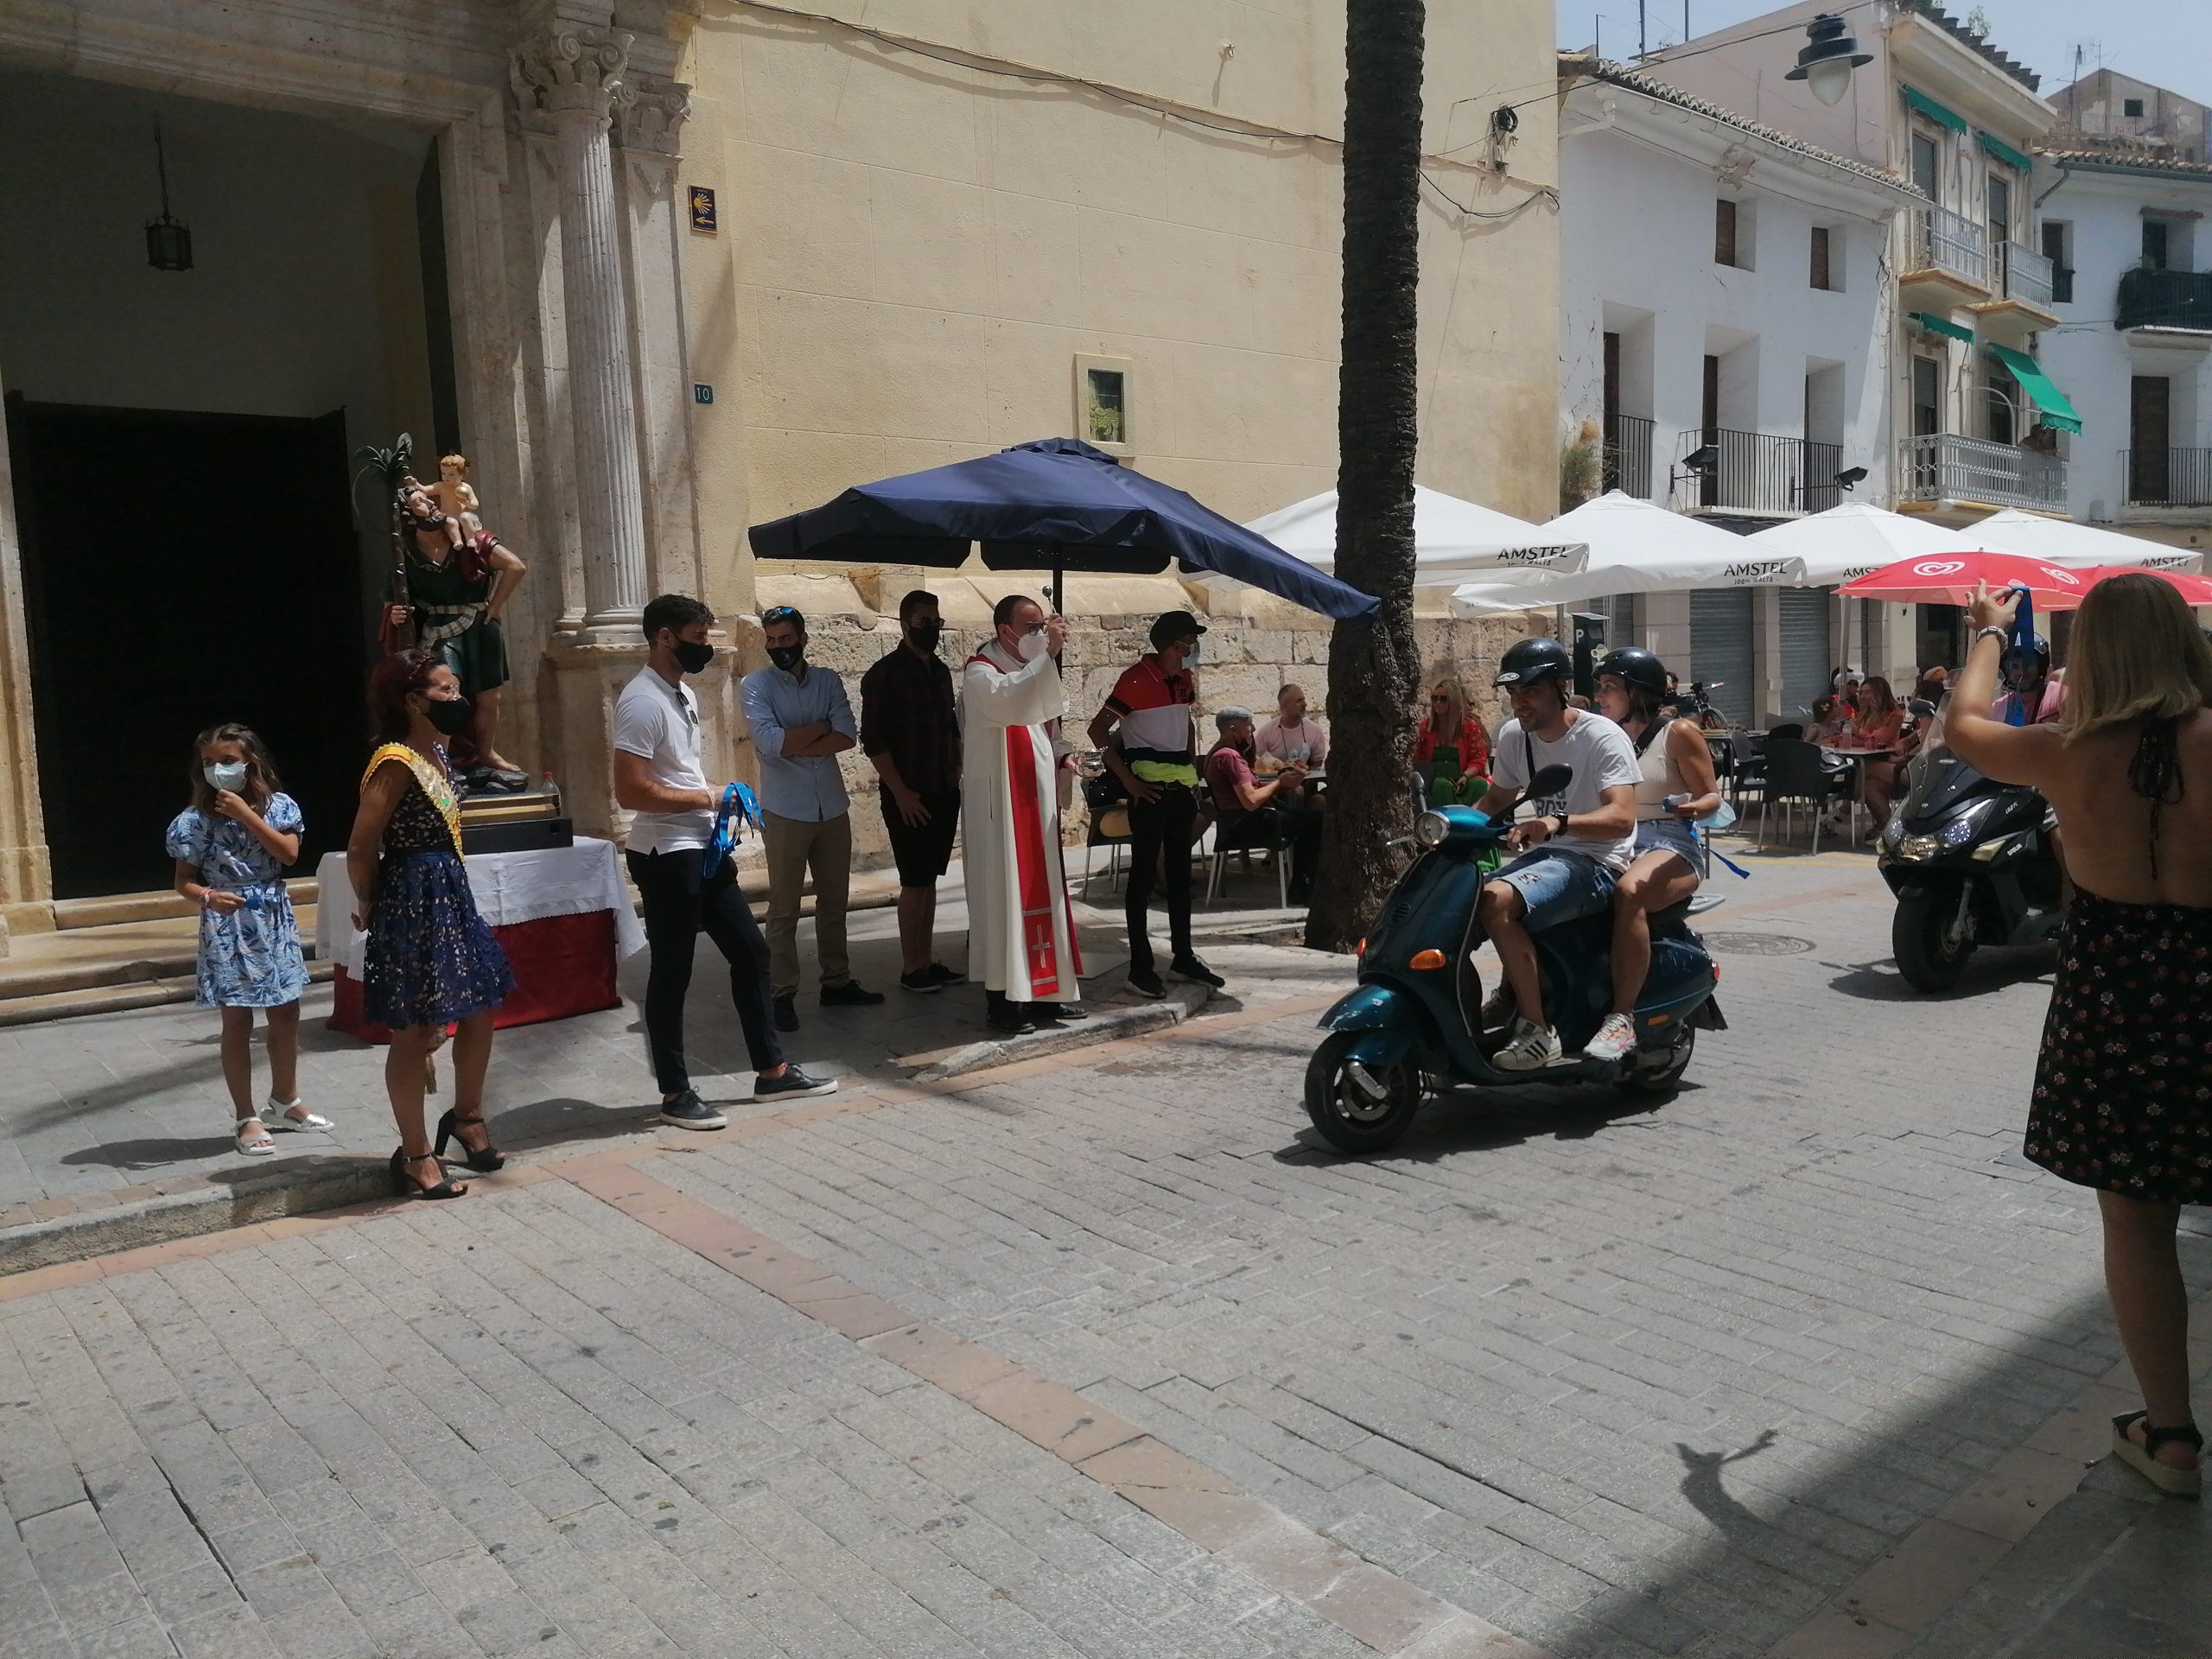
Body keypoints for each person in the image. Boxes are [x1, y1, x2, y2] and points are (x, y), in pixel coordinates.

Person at [1947, 575, 2212, 1499]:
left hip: (2116, 1006)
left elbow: (1962, 728)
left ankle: (2170, 1436)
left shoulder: (2063, 753)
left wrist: (1989, 633)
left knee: (2136, 1219)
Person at [616, 594, 836, 1128]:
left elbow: (679, 773)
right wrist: (709, 798)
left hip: (702, 848)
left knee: (751, 953)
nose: (706, 646)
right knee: (673, 972)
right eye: (697, 637)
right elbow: (631, 791)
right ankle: (675, 1093)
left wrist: (722, 792)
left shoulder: (683, 693)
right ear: (664, 637)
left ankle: (772, 1070)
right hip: (666, 854)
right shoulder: (641, 701)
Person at [345, 652, 516, 1198]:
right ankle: (416, 1154)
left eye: (456, 687)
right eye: (444, 690)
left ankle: (467, 1118)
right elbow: (361, 845)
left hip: (448, 891)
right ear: (412, 701)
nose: (456, 698)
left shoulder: (438, 752)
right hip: (412, 898)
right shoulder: (395, 761)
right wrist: (368, 900)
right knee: (415, 1030)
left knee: (481, 1004)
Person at [1474, 636, 1641, 1071]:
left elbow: (1622, 817)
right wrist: (1450, 826)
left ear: (1559, 687)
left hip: (1597, 861)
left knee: (1496, 900)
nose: (1519, 702)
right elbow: (1497, 800)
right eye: (1513, 692)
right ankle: (1506, 994)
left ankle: (1536, 1030)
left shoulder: (1601, 737)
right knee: (1461, 900)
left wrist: (1557, 823)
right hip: (1548, 857)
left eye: (1530, 690)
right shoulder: (1514, 736)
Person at [167, 723, 326, 1156]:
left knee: (286, 1011)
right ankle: (245, 1116)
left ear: (250, 763)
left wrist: (245, 814)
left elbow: (288, 854)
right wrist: (208, 896)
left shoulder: (280, 807)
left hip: (273, 917)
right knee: (237, 1019)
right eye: (209, 762)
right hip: (228, 922)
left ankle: (285, 1100)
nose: (217, 769)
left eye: (227, 761)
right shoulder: (193, 821)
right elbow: (183, 880)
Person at [740, 605, 883, 1033]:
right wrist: (819, 728)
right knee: (784, 908)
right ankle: (781, 993)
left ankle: (836, 981)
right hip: (786, 809)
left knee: (834, 902)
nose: (778, 647)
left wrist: (795, 743)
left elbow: (847, 735)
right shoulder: (756, 685)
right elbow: (770, 742)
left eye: (785, 638)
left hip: (831, 807)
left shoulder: (828, 681)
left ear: (802, 638)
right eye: (771, 640)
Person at [1584, 650, 1720, 1064]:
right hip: (1617, 837)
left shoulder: (1678, 733)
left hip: (1670, 841)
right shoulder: (1603, 733)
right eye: (1600, 687)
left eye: (1610, 687)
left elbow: (1712, 797)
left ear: (1638, 692)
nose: (1600, 696)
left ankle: (1621, 1018)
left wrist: (1693, 807)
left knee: (1630, 892)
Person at [963, 594, 1087, 1032]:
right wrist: (1047, 653)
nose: (1039, 634)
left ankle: (1044, 994)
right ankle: (1002, 1002)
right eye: (1031, 627)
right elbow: (1011, 703)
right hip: (1001, 816)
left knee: (1045, 894)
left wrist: (1064, 755)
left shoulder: (1028, 670)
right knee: (1003, 901)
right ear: (1005, 631)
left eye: (1041, 626)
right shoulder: (981, 672)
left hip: (1035, 809)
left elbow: (1045, 728)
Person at [1090, 611, 1223, 998]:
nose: (1194, 648)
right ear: (1173, 645)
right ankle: (1140, 968)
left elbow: (1187, 724)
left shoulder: (1185, 679)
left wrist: (1192, 773)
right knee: (1143, 879)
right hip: (1149, 791)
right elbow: (1097, 730)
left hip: (1180, 789)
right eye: (1190, 641)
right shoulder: (1134, 679)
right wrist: (1129, 782)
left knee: (1180, 877)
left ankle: (1183, 956)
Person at [383, 477, 528, 788]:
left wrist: (495, 606)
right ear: (408, 516)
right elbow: (394, 599)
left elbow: (515, 566)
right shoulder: (405, 555)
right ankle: (445, 756)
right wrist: (396, 615)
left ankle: (485, 752)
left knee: (490, 696)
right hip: (441, 627)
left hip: (480, 625)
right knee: (446, 692)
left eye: (428, 498)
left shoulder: (471, 540)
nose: (431, 503)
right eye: (421, 501)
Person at [860, 590, 965, 994]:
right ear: (905, 624)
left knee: (930, 878)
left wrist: (956, 768)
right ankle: (911, 967)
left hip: (942, 788)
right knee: (914, 879)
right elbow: (874, 741)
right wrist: (901, 793)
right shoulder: (883, 675)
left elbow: (950, 726)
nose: (932, 629)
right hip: (909, 795)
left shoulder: (939, 671)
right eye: (925, 622)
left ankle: (926, 959)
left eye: (936, 622)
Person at [1204, 708, 1319, 900]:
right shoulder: (1229, 757)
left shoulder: (1216, 753)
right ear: (1234, 729)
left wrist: (1284, 784)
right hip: (1248, 823)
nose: (1253, 730)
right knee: (1317, 822)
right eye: (1249, 725)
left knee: (1308, 820)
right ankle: (1303, 885)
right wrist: (1279, 783)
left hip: (1237, 823)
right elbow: (1250, 801)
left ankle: (1302, 883)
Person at [1412, 676, 1491, 807]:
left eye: (1443, 699)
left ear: (1454, 701)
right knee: (1442, 786)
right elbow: (1418, 759)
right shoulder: (1425, 728)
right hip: (1435, 781)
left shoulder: (1470, 727)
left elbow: (1478, 759)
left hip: (1463, 778)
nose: (1438, 703)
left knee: (1479, 785)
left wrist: (1466, 776)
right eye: (1435, 698)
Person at [1995, 633, 2066, 725]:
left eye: (2028, 664)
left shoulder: (2063, 696)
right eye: (2014, 666)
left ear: (2040, 666)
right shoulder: (1998, 709)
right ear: (2005, 670)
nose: (2022, 672)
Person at [1255, 683, 1329, 770]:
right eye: (1299, 701)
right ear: (1286, 706)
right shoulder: (1266, 733)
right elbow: (1259, 766)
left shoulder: (1315, 731)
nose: (1305, 704)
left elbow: (1317, 766)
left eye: (1304, 699)